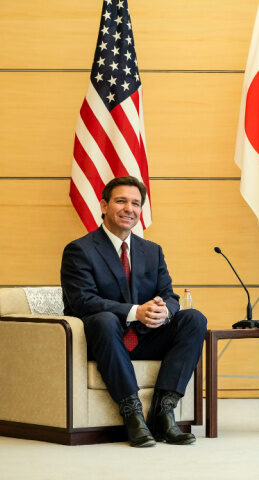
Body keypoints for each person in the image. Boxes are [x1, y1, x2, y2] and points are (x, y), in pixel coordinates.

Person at [61, 176, 207, 447]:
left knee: (193, 318)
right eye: (121, 201)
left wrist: (164, 311)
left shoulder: (152, 251)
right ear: (104, 206)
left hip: (145, 338)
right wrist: (135, 311)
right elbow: (83, 302)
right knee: (103, 320)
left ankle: (164, 414)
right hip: (104, 341)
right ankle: (133, 416)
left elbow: (170, 296)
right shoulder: (79, 250)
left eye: (136, 203)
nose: (130, 208)